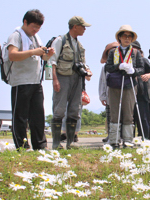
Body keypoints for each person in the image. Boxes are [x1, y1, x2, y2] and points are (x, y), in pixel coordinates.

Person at [7, 9, 55, 150]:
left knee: (38, 116)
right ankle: (22, 147)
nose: (35, 30)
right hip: (21, 81)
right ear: (25, 22)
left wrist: (47, 54)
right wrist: (34, 51)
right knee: (20, 117)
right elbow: (12, 55)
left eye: (38, 28)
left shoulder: (36, 38)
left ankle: (40, 146)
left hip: (35, 81)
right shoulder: (16, 36)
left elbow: (42, 58)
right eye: (33, 27)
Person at [50, 16, 92, 149]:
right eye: (83, 26)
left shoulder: (79, 45)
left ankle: (70, 142)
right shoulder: (60, 41)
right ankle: (56, 143)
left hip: (77, 80)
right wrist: (55, 80)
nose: (85, 29)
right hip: (62, 78)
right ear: (75, 26)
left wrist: (87, 71)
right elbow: (52, 61)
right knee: (59, 110)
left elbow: (82, 63)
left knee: (75, 110)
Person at [105, 25, 144, 148]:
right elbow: (107, 67)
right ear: (120, 37)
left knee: (128, 113)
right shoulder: (113, 52)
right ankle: (114, 140)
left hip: (129, 84)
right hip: (114, 84)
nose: (127, 38)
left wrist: (133, 70)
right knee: (114, 112)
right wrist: (118, 66)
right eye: (124, 36)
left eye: (129, 36)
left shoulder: (136, 52)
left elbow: (142, 69)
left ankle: (128, 140)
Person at [131, 41, 150, 140]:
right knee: (130, 118)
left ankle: (145, 138)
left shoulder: (143, 60)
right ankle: (129, 138)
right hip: (129, 93)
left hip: (142, 94)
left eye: (135, 48)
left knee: (143, 117)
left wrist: (149, 75)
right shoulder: (125, 61)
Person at [99, 42, 119, 142]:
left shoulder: (123, 65)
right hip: (109, 96)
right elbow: (102, 82)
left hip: (121, 95)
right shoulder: (105, 67)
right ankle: (110, 135)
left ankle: (120, 136)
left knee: (122, 117)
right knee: (110, 117)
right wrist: (102, 96)